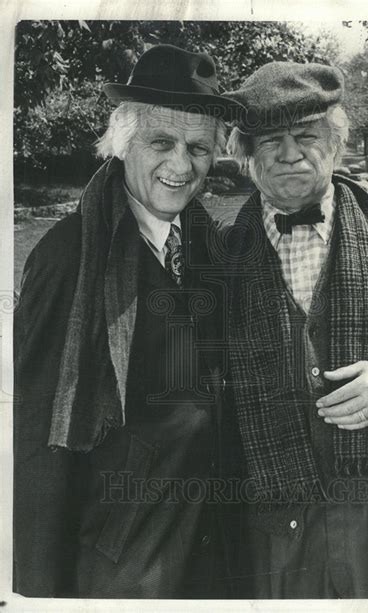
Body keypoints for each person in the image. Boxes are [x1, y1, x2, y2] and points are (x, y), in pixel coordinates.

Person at [13, 43, 242, 599]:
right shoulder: (71, 258)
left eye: (199, 148)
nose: (181, 165)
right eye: (161, 142)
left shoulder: (207, 243)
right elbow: (38, 448)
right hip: (120, 570)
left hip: (205, 553)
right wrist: (37, 594)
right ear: (122, 144)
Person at [224, 60, 368, 598]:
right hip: (271, 527)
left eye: (306, 136)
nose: (289, 153)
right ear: (245, 154)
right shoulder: (215, 255)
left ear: (335, 142)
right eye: (269, 141)